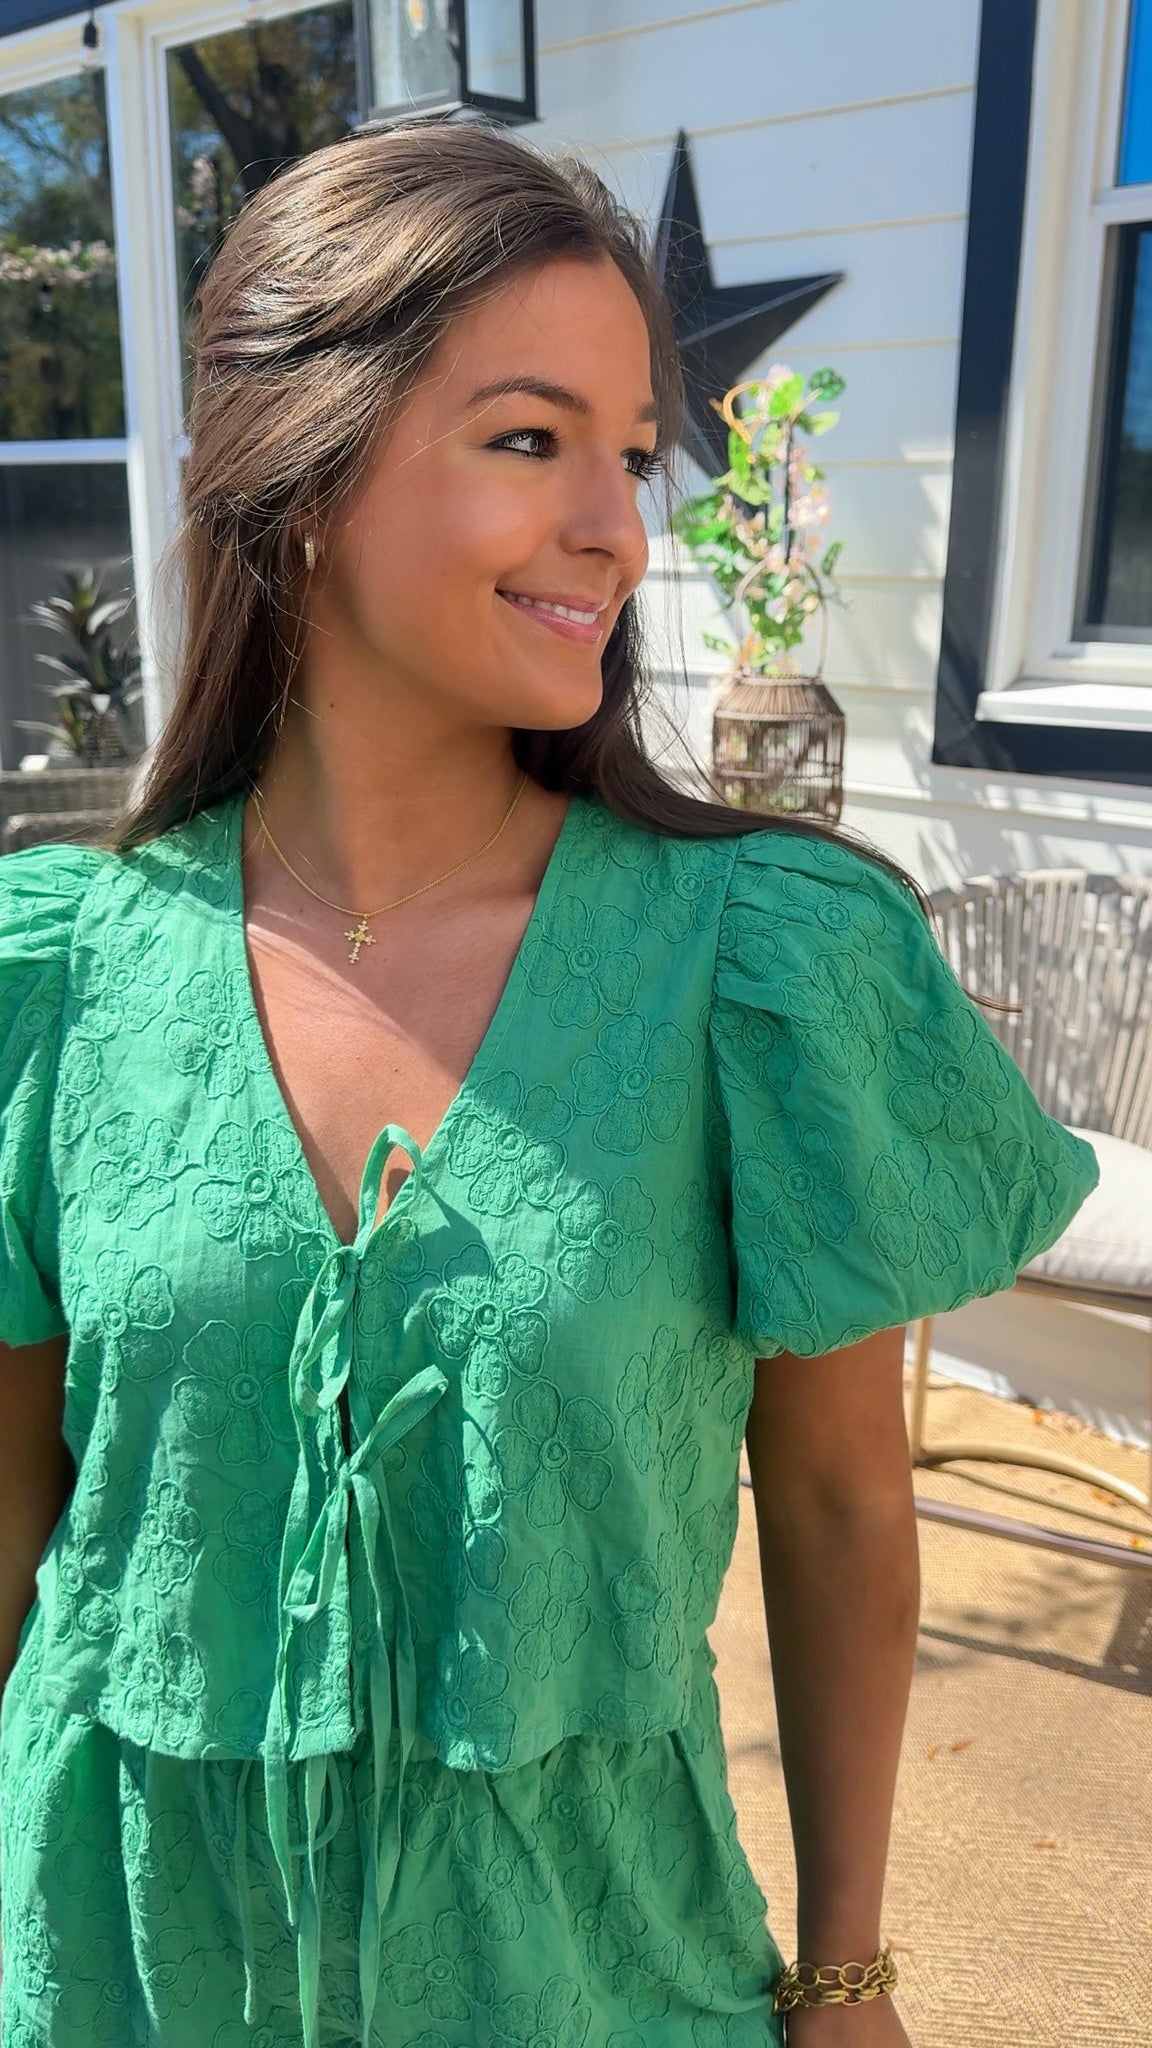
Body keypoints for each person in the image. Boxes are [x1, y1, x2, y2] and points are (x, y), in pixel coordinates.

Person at [0, 116, 1097, 2048]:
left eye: (635, 454)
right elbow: (22, 1510)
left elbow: (841, 1497)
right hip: (123, 1969)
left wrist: (846, 1972)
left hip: (591, 1975)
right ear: (298, 475)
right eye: (530, 440)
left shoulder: (762, 962)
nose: (620, 529)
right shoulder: (58, 976)